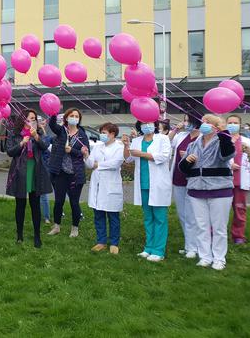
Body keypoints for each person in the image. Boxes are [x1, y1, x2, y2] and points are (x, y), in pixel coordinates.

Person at [178, 114, 234, 270]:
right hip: (197, 189)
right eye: (203, 122)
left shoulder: (221, 140)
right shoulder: (194, 144)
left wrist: (224, 134)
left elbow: (228, 154)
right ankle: (205, 256)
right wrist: (188, 161)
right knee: (201, 226)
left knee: (219, 227)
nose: (204, 124)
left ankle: (219, 258)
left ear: (216, 126)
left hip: (220, 189)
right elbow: (182, 168)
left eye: (208, 122)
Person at [123, 121, 172, 262]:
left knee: (160, 218)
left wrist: (142, 154)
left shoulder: (162, 138)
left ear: (155, 125)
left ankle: (158, 250)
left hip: (158, 184)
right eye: (143, 124)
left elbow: (163, 157)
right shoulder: (137, 141)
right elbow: (128, 158)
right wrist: (127, 146)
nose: (146, 126)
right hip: (143, 184)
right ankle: (149, 247)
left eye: (149, 123)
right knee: (148, 217)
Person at [6, 110, 52, 247]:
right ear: (23, 120)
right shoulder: (14, 134)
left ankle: (37, 236)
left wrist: (36, 137)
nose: (33, 120)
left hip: (35, 170)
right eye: (31, 118)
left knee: (35, 204)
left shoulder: (38, 132)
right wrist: (21, 143)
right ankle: (19, 235)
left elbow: (45, 148)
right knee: (20, 204)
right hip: (20, 171)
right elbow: (10, 152)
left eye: (34, 118)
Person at [47, 108, 90, 237]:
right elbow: (52, 125)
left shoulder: (82, 134)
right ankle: (57, 226)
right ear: (66, 118)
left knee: (74, 202)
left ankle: (75, 228)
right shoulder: (62, 131)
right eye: (72, 115)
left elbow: (85, 153)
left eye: (77, 116)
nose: (74, 118)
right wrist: (53, 112)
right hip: (61, 172)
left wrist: (71, 151)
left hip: (76, 174)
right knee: (59, 201)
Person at [84, 123, 124, 254]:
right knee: (98, 214)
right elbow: (90, 164)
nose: (102, 135)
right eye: (101, 132)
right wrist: (86, 155)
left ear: (112, 134)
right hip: (97, 184)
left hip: (111, 184)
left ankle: (114, 242)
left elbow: (115, 163)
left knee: (113, 216)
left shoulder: (119, 147)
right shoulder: (97, 147)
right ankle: (101, 241)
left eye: (104, 132)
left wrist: (98, 164)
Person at [169, 111, 201, 259]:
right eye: (185, 121)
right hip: (178, 178)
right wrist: (175, 130)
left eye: (189, 121)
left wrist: (190, 158)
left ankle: (195, 247)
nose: (186, 124)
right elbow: (167, 142)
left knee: (192, 216)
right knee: (182, 214)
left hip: (193, 180)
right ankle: (189, 245)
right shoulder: (181, 136)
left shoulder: (202, 138)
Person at [226, 114, 250, 245]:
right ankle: (215, 233)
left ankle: (238, 236)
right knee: (220, 211)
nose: (232, 125)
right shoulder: (222, 139)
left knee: (240, 209)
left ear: (240, 125)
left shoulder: (247, 142)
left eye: (235, 123)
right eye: (230, 122)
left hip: (240, 181)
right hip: (224, 182)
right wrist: (229, 165)